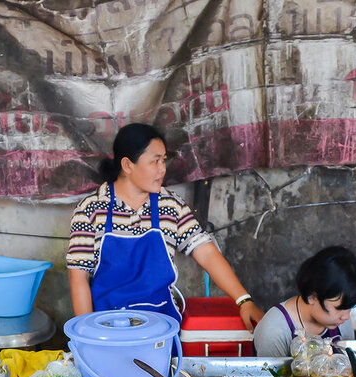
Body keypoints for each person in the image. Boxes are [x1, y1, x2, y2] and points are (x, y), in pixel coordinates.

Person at [66, 123, 263, 329]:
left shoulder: (170, 206)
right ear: (127, 165)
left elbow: (205, 252)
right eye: (155, 161)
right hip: (109, 328)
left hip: (161, 326)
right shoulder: (91, 209)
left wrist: (243, 300)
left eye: (164, 160)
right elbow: (78, 275)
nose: (162, 169)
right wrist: (88, 333)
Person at [253, 246, 356, 356]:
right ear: (312, 297)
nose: (346, 316)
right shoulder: (275, 331)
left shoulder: (341, 323)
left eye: (350, 307)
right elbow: (269, 375)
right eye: (339, 308)